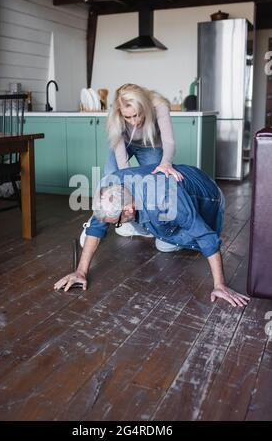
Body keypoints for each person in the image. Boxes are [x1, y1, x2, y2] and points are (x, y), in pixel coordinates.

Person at [54, 164, 250, 308]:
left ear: (129, 210)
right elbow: (97, 227)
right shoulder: (111, 186)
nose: (113, 224)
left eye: (119, 220)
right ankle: (154, 230)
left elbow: (206, 237)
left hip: (209, 198)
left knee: (173, 241)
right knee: (161, 240)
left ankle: (159, 230)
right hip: (151, 209)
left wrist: (220, 285)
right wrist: (80, 271)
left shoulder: (167, 199)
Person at [80, 83, 183, 245]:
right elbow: (122, 163)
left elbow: (169, 142)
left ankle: (148, 225)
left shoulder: (159, 105)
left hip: (151, 146)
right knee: (111, 176)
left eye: (137, 115)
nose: (133, 122)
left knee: (153, 183)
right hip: (125, 144)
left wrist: (166, 163)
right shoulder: (114, 113)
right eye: (127, 117)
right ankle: (95, 224)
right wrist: (125, 182)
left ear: (145, 107)